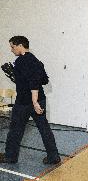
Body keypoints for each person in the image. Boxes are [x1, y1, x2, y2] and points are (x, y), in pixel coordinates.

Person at [0, 36, 61, 164]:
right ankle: (54, 156)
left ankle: (10, 156)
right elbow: (43, 80)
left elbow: (33, 82)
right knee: (44, 128)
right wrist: (16, 76)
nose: (11, 50)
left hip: (25, 102)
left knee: (15, 129)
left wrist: (34, 102)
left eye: (13, 46)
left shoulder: (21, 61)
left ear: (20, 45)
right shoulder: (35, 60)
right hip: (40, 99)